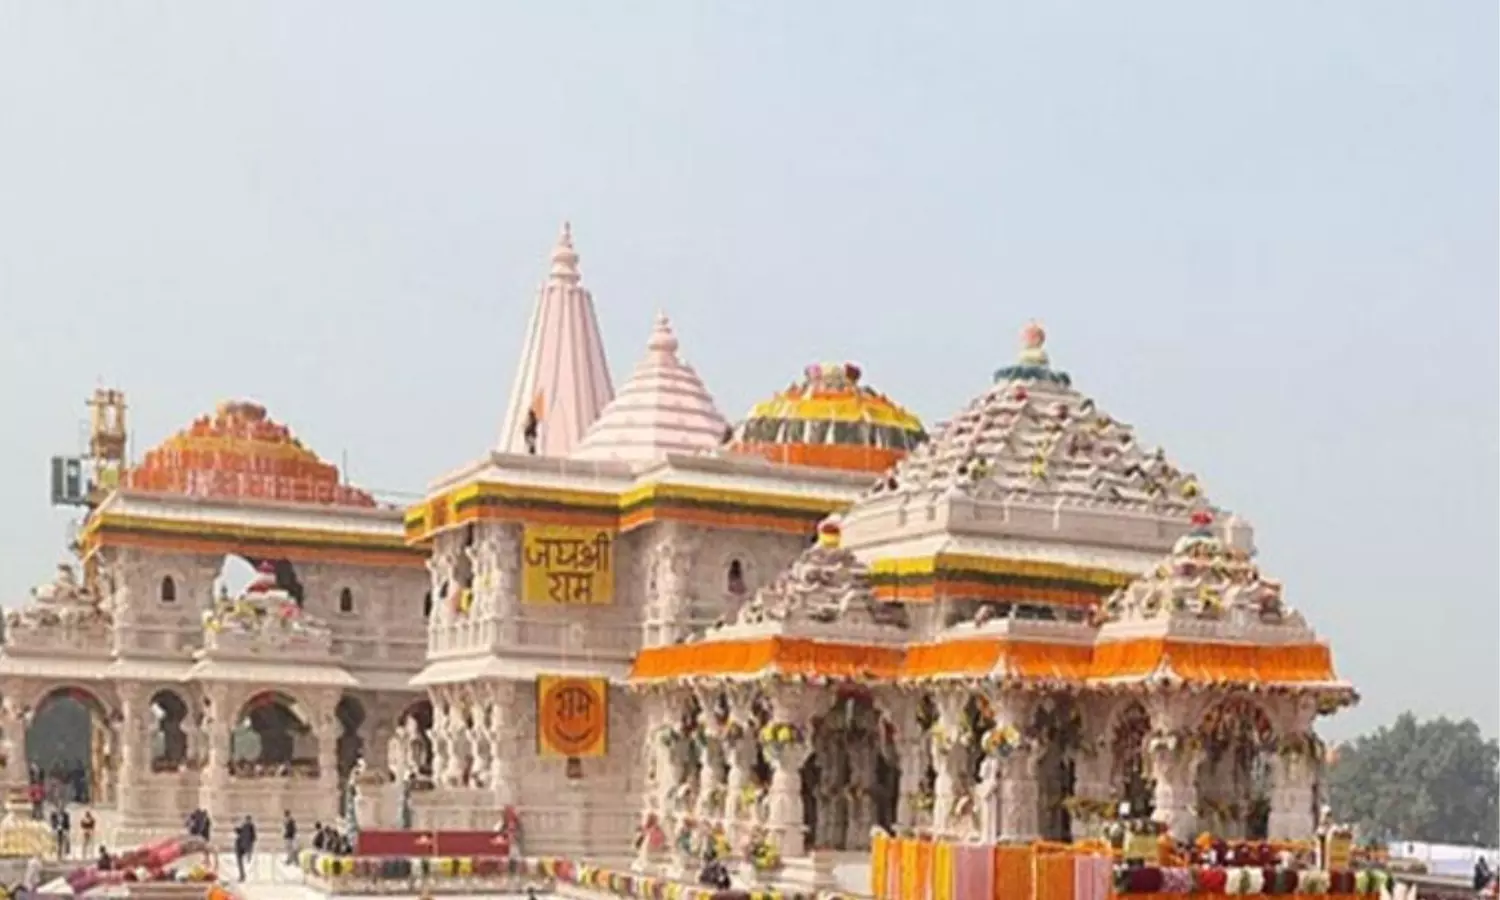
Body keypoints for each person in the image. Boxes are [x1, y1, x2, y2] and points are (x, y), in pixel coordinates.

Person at [233, 814, 257, 882]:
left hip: (245, 846)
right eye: (246, 820)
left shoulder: (251, 827)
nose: (247, 821)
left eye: (248, 820)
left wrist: (250, 850)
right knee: (239, 861)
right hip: (240, 845)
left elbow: (253, 838)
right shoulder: (244, 825)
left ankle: (242, 876)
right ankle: (242, 876)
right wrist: (236, 829)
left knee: (240, 861)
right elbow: (240, 832)